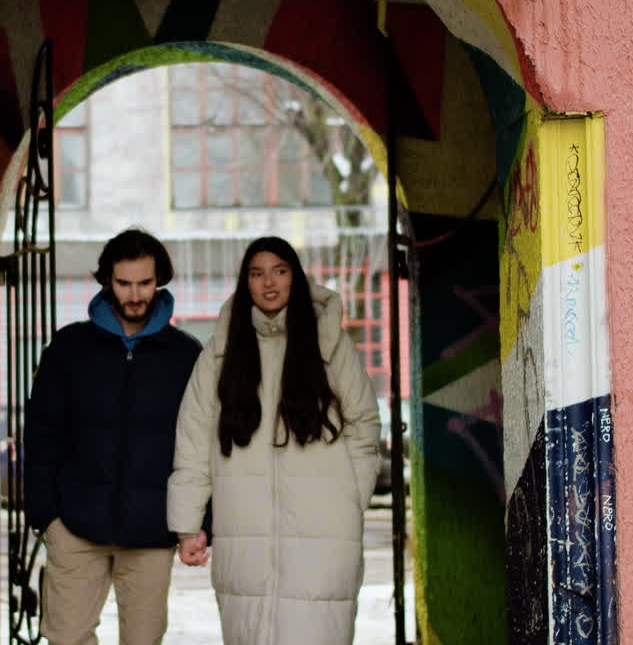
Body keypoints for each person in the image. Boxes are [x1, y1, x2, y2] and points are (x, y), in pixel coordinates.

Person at [167, 236, 380, 645]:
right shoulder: (219, 354)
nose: (269, 283)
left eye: (280, 271)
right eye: (257, 273)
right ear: (245, 282)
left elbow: (363, 422)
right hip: (243, 532)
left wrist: (352, 493)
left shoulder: (330, 344)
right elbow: (193, 440)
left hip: (325, 529)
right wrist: (187, 525)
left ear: (295, 278)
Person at [25, 228, 203, 645]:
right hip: (74, 526)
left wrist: (196, 522)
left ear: (159, 281)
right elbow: (41, 433)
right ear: (107, 281)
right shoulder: (69, 347)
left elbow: (202, 445)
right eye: (124, 283)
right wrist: (46, 516)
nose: (135, 295)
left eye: (145, 283)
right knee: (66, 638)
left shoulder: (186, 355)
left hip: (152, 531)